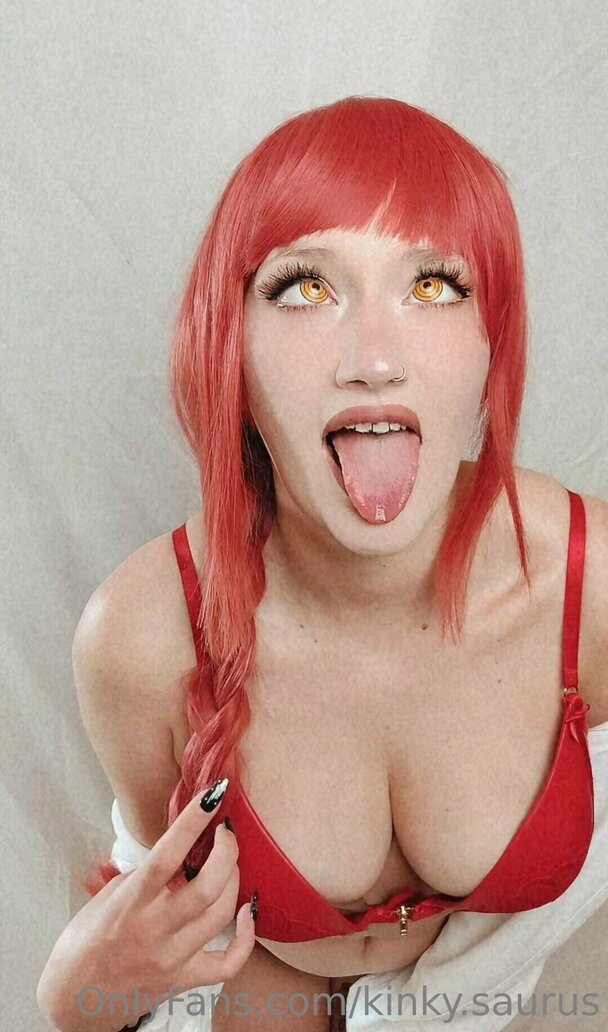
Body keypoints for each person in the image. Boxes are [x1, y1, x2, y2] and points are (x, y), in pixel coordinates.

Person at [37, 96, 608, 1032]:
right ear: (231, 347)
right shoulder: (138, 638)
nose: (374, 360)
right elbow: (149, 937)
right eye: (305, 289)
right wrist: (72, 994)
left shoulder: (588, 587)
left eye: (435, 286)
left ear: (492, 338)